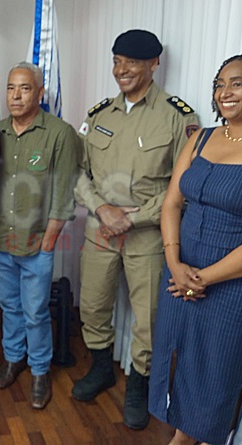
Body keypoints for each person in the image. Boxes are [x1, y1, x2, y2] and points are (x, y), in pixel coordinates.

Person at [149, 52, 242, 445]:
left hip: (238, 285)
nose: (224, 92)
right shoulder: (201, 138)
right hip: (180, 272)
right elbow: (171, 203)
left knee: (217, 373)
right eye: (219, 84)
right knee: (177, 360)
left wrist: (202, 278)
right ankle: (181, 436)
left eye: (237, 83)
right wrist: (174, 262)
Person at [72, 30, 200, 430]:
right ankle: (100, 368)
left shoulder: (178, 117)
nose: (121, 70)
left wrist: (131, 217)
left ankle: (139, 385)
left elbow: (183, 184)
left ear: (154, 64)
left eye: (131, 62)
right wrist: (102, 208)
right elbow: (78, 173)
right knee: (93, 304)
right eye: (116, 61)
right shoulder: (99, 115)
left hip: (147, 235)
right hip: (100, 231)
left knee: (148, 317)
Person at [0, 62, 80, 409]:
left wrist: (50, 237)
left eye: (24, 88)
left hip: (37, 241)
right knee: (9, 306)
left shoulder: (59, 133)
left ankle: (40, 370)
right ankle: (14, 358)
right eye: (11, 88)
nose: (16, 96)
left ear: (40, 93)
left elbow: (64, 190)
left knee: (35, 311)